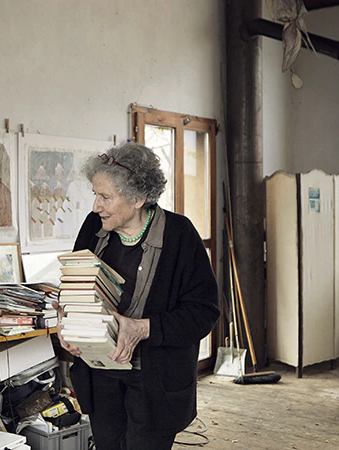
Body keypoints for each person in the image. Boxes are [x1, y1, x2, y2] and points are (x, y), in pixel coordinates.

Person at [54, 142, 219, 450]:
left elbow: (203, 313)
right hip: (101, 375)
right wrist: (68, 325)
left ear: (138, 198)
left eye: (105, 197)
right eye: (95, 194)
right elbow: (73, 287)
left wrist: (142, 328)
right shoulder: (93, 227)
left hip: (155, 383)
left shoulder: (179, 235)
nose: (96, 206)